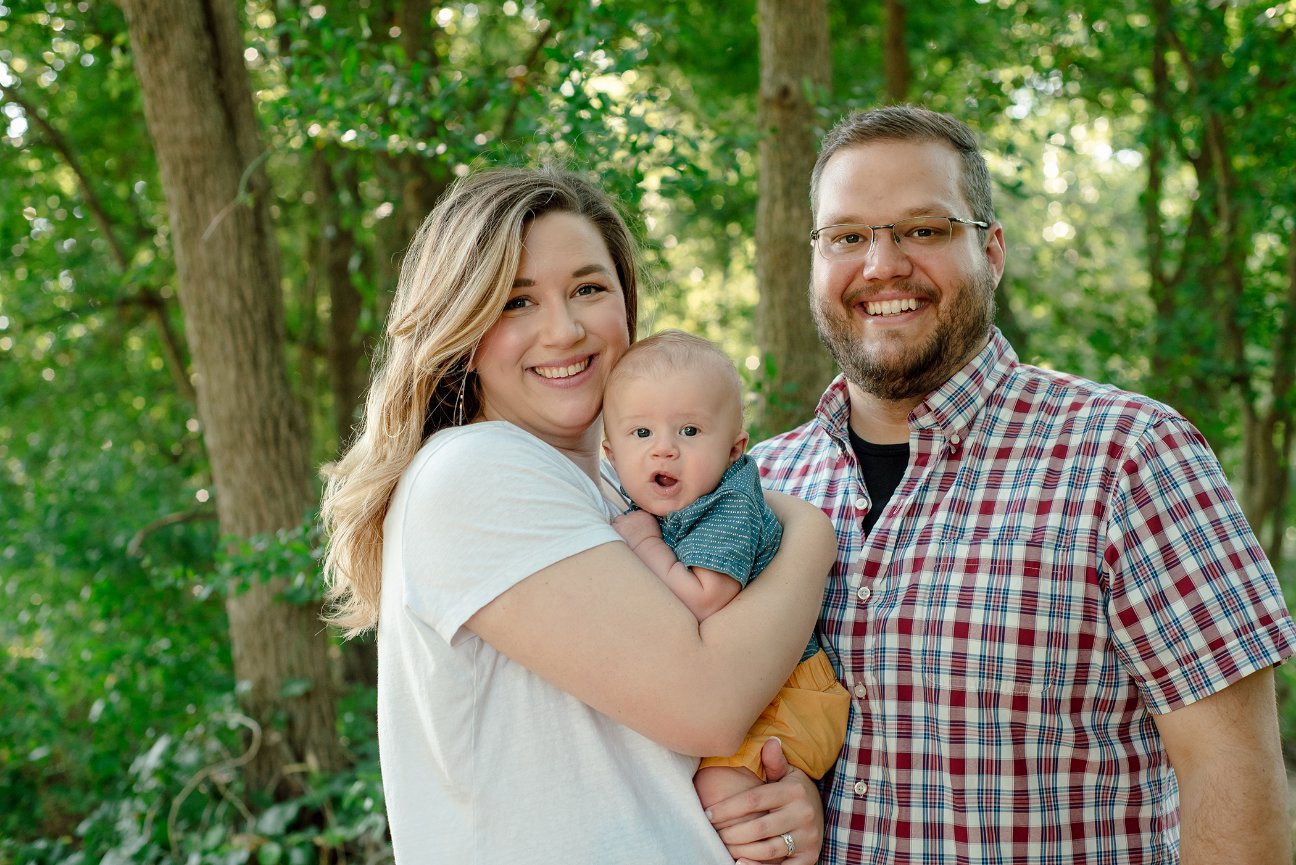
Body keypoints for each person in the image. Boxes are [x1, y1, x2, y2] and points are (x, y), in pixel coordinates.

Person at [713, 105, 1296, 863]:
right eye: (848, 236)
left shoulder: (1130, 457)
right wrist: (784, 800)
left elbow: (1235, 784)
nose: (882, 263)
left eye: (923, 229)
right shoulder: (757, 485)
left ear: (991, 249)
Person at [318, 166, 835, 864]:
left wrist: (776, 804)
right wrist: (813, 530)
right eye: (516, 301)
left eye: (589, 289)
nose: (562, 330)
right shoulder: (476, 471)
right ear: (462, 331)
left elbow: (660, 754)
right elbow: (706, 699)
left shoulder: (610, 495)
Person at [600, 330, 851, 829]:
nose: (664, 450)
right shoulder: (663, 500)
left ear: (735, 447)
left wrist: (644, 543)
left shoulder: (728, 504)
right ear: (610, 451)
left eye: (689, 432)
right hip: (761, 686)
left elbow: (703, 598)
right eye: (641, 433)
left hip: (791, 694)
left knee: (719, 797)